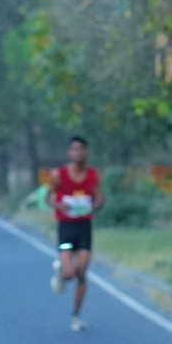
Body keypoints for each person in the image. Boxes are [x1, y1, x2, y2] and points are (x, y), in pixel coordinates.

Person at [48, 136, 105, 332]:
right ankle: (62, 274)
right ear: (69, 153)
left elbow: (98, 197)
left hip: (84, 228)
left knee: (82, 272)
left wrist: (97, 204)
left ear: (86, 152)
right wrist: (59, 205)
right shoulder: (58, 174)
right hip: (66, 229)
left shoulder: (93, 175)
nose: (78, 153)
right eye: (74, 149)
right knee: (70, 272)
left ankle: (76, 315)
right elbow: (48, 198)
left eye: (81, 149)